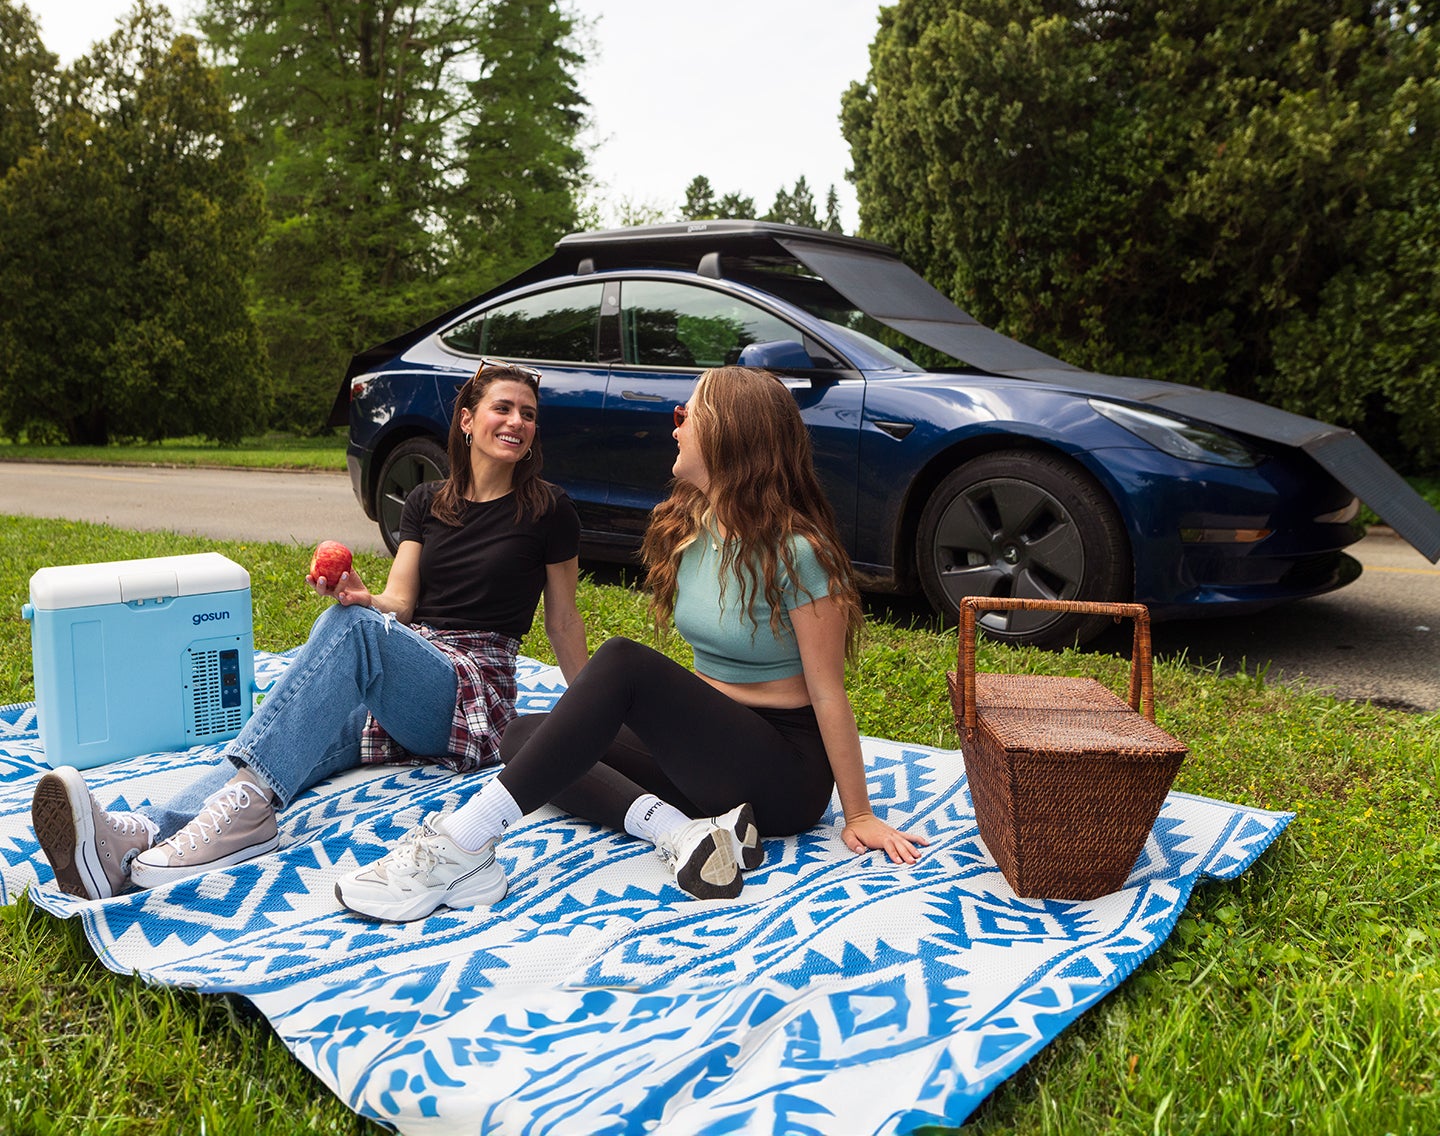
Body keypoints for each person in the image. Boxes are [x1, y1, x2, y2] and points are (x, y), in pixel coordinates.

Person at [336, 364, 926, 922]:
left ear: (727, 434)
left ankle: (463, 843)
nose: (675, 427)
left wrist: (859, 814)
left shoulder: (797, 553)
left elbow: (828, 692)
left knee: (622, 661)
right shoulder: (693, 529)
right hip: (709, 762)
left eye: (686, 416)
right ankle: (683, 832)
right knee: (525, 736)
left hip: (782, 774)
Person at [31, 361, 587, 901]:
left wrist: (594, 714)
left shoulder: (547, 509)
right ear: (467, 419)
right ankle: (134, 839)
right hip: (409, 672)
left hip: (471, 695)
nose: (517, 422)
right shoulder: (426, 502)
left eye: (528, 414)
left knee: (352, 634)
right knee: (278, 747)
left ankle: (244, 824)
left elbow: (562, 620)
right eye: (503, 408)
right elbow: (399, 605)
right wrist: (365, 598)